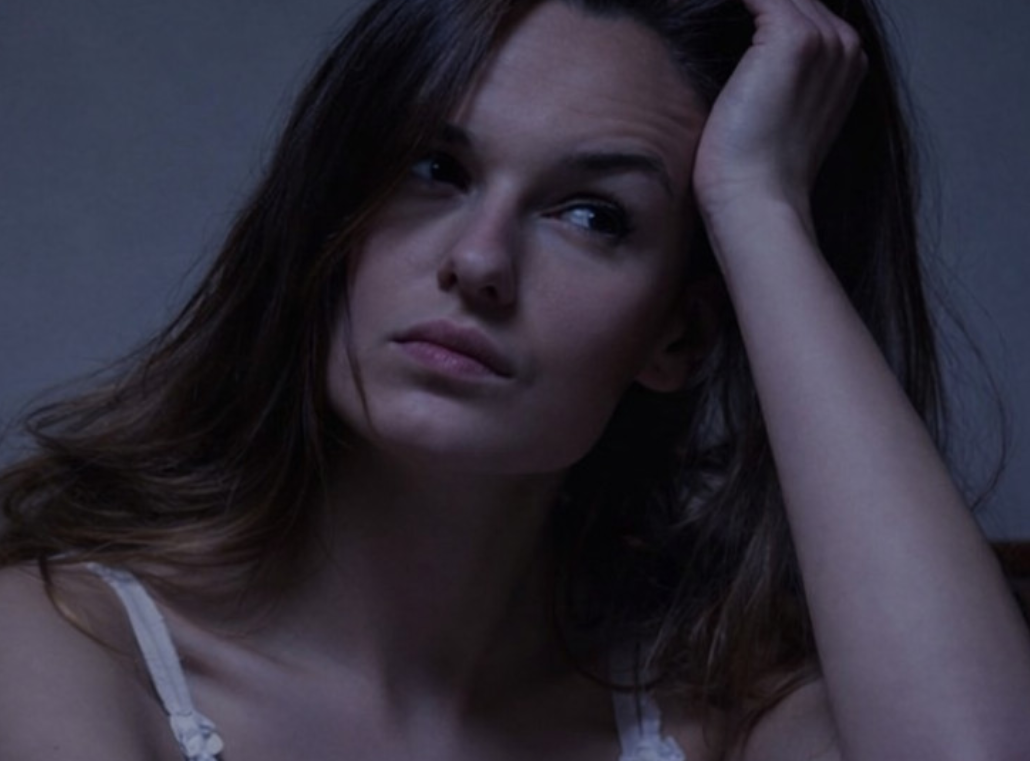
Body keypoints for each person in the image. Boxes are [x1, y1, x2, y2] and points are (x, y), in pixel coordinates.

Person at [1, 0, 1028, 758]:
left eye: (591, 215)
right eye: (434, 169)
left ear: (679, 334)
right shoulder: (65, 648)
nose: (480, 260)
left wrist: (758, 204)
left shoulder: (719, 711)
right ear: (329, 223)